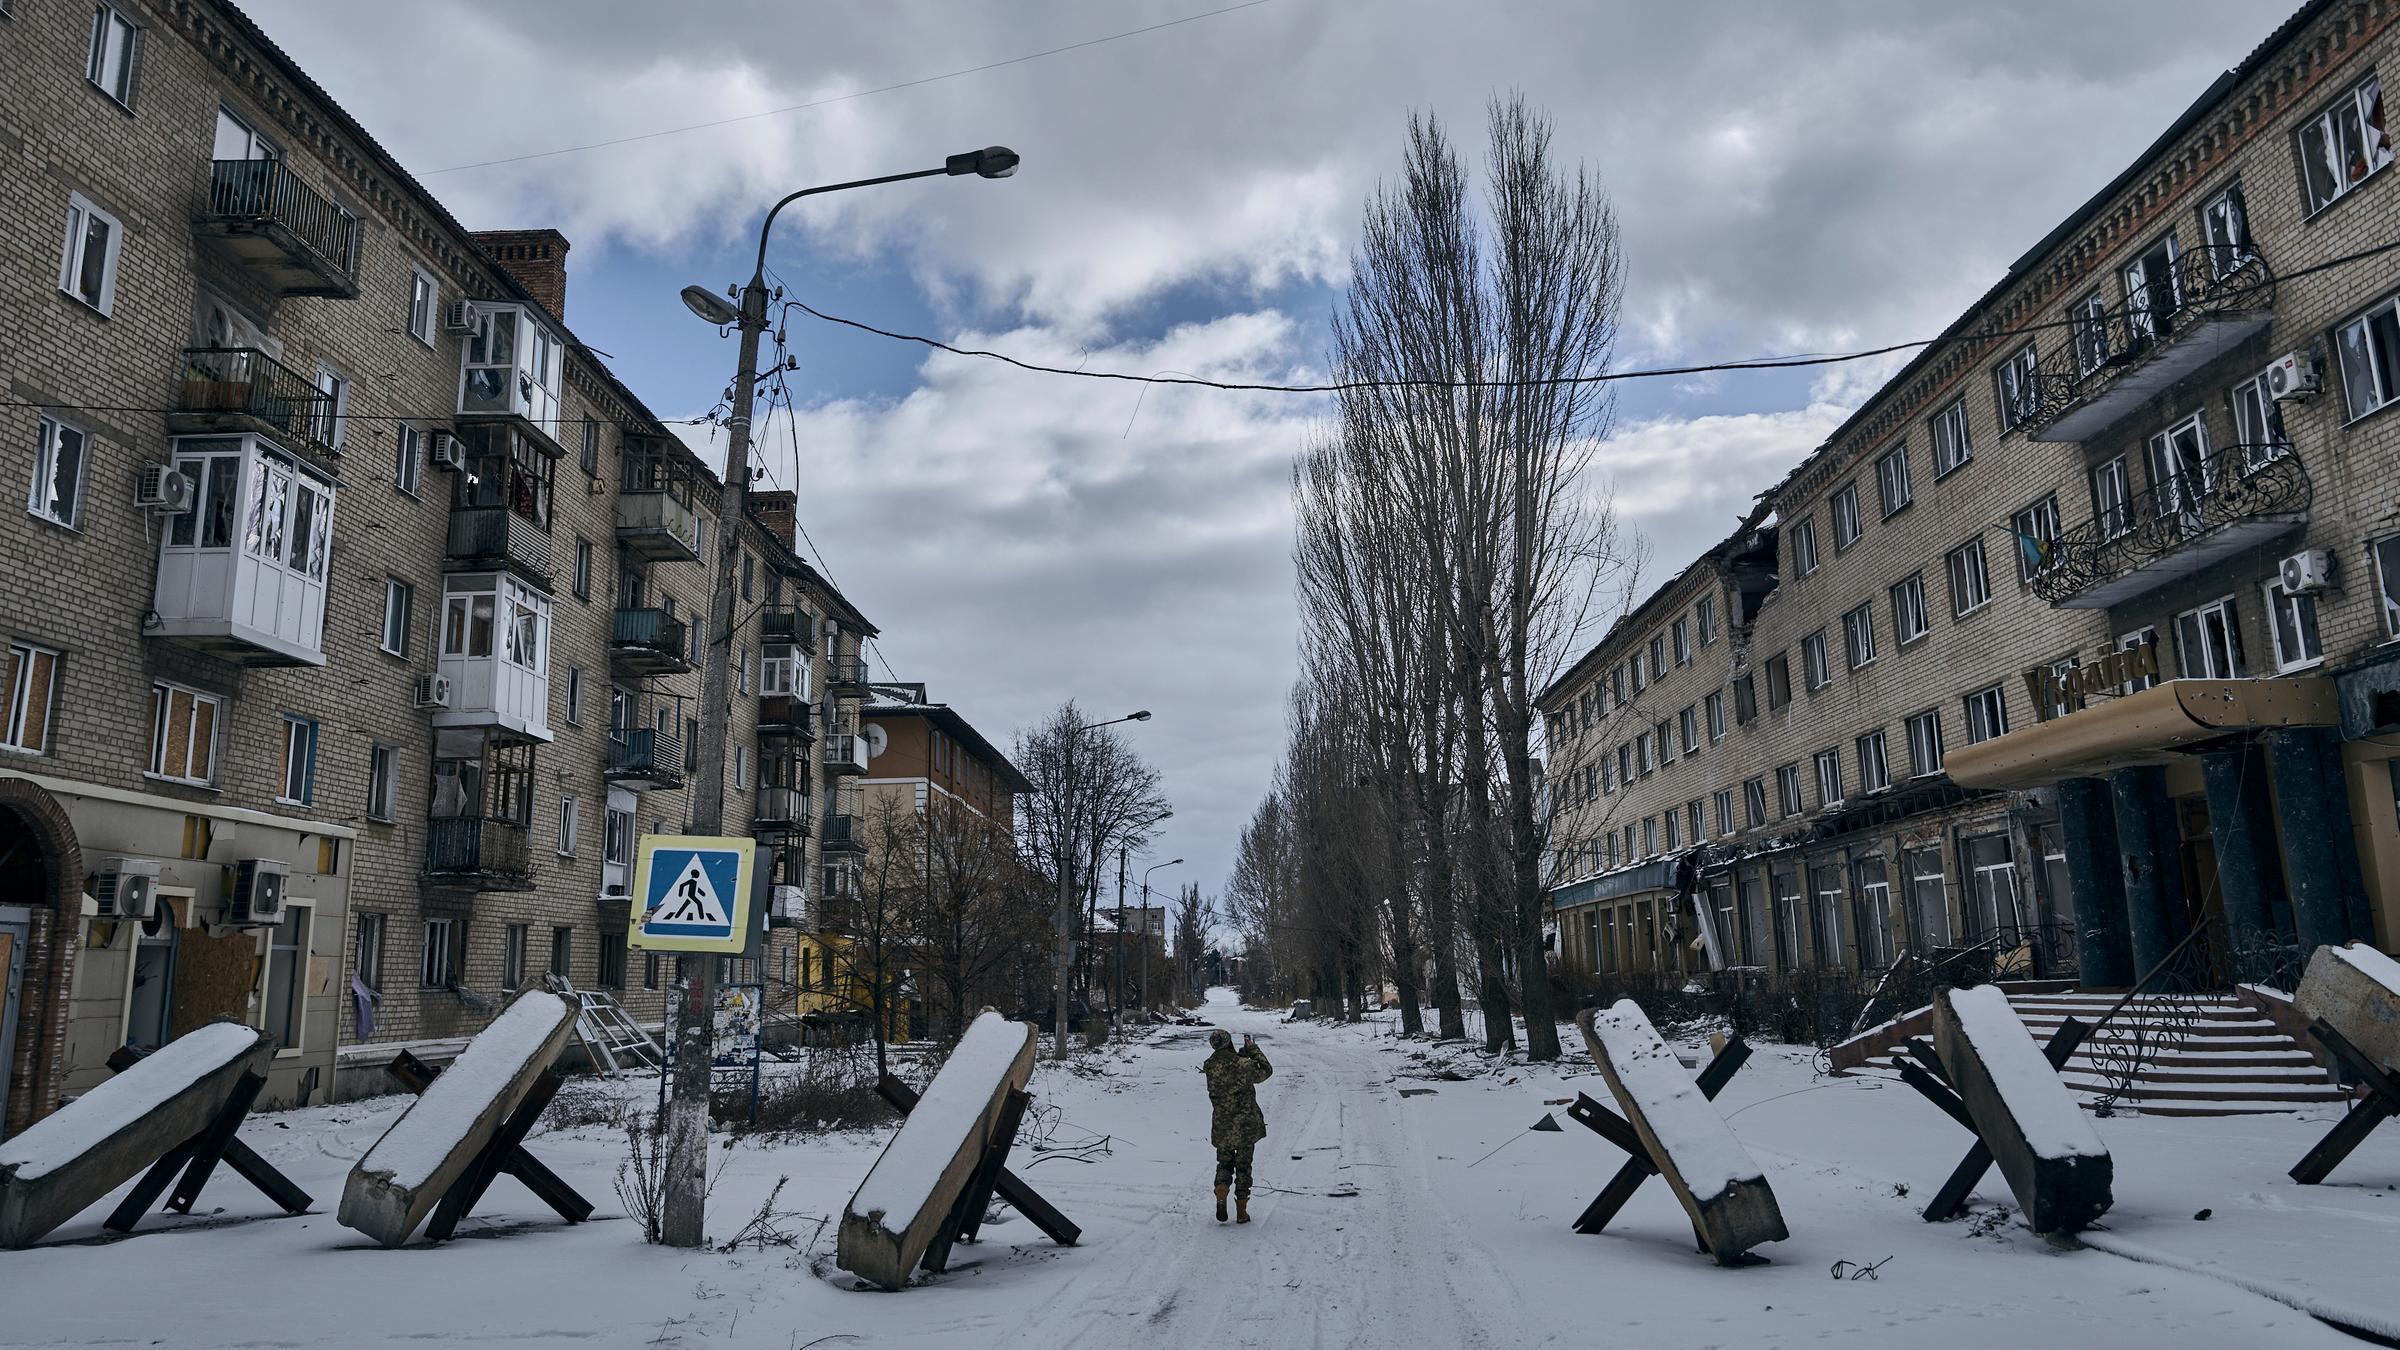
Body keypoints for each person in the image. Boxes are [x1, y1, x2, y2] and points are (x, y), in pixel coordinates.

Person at [1201, 1029, 1272, 1223]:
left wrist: (1241, 1056)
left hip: (1222, 1124)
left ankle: (1221, 1190)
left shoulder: (1210, 1066)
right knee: (1243, 1166)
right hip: (1245, 1125)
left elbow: (1226, 1069)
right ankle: (1241, 1210)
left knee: (1224, 1163)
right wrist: (1253, 1050)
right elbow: (1266, 1070)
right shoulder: (1243, 1065)